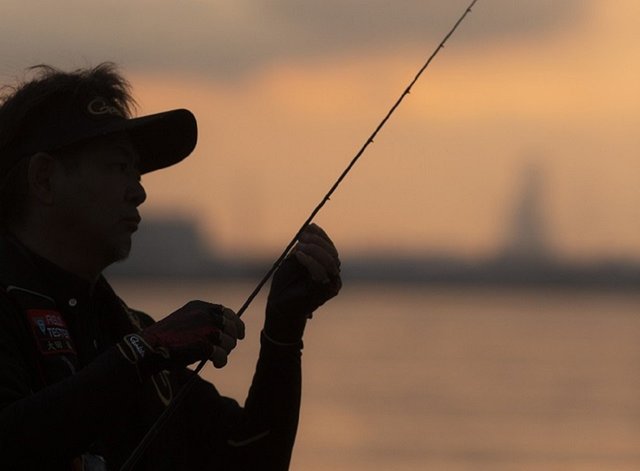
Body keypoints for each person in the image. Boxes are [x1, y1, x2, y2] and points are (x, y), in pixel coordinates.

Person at [0, 63, 342, 470]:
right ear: (43, 179)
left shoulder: (127, 334)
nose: (139, 191)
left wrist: (284, 332)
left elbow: (253, 457)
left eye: (138, 171)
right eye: (118, 166)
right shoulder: (138, 348)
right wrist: (144, 353)